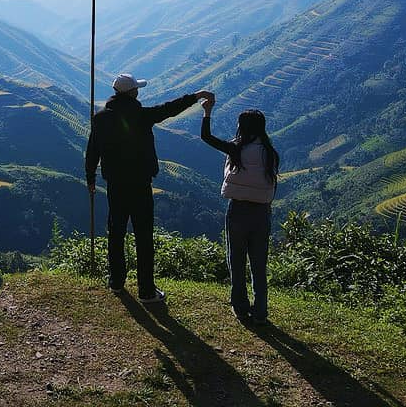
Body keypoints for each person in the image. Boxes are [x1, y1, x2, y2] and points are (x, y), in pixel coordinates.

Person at [86, 73, 213, 303]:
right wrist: (196, 96)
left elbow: (92, 149)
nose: (138, 91)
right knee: (143, 236)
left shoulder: (100, 118)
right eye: (136, 89)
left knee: (116, 232)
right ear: (131, 93)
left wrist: (90, 177)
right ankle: (146, 290)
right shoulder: (141, 116)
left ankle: (116, 281)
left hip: (115, 185)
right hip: (140, 184)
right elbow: (169, 109)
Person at [200, 101, 280, 324]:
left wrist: (207, 112)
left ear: (241, 127)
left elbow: (206, 137)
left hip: (238, 210)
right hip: (262, 213)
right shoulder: (270, 153)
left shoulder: (236, 149)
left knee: (236, 261)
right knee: (259, 264)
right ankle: (261, 311)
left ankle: (241, 307)